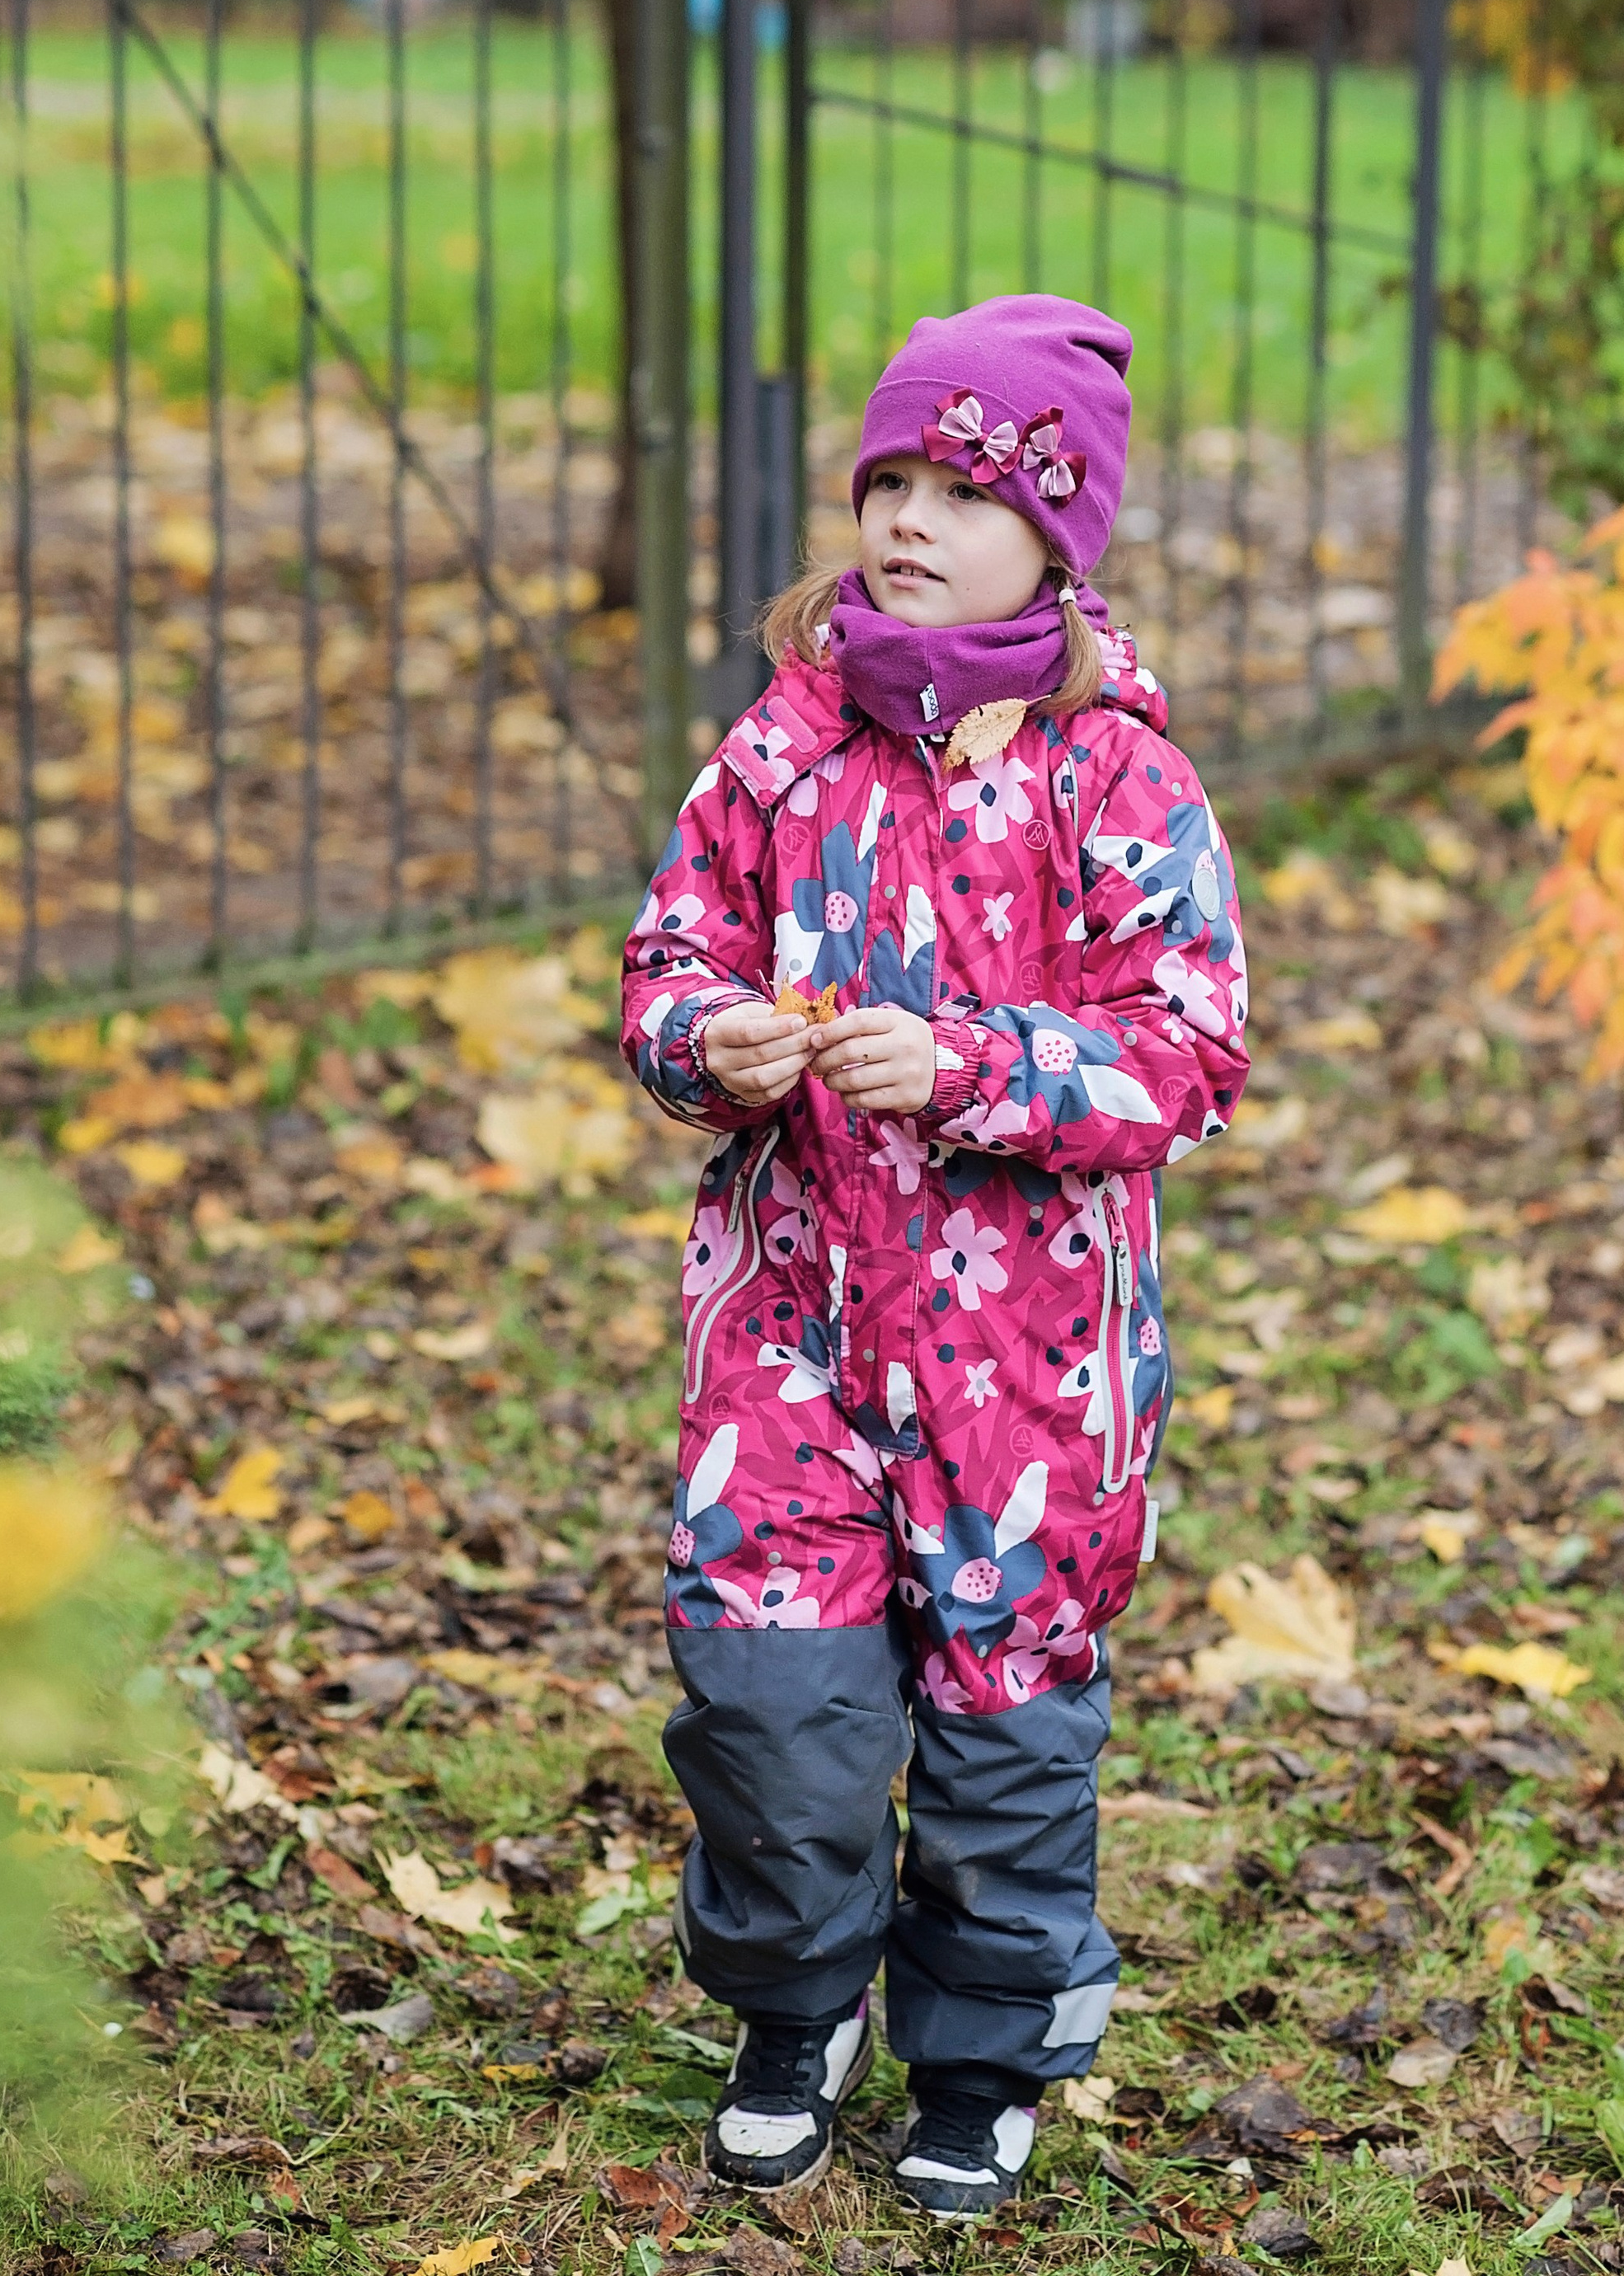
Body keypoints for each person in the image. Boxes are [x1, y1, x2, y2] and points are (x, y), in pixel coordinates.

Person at [620, 295, 1250, 2217]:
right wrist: (702, 1038)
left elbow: (1188, 1042)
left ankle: (978, 2049)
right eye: (887, 477)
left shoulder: (1110, 774)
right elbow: (670, 957)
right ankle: (790, 2003)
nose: (907, 515)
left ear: (1054, 540)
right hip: (791, 1333)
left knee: (999, 1721)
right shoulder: (780, 751)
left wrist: (977, 1063)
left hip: (1031, 1369)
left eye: (962, 490)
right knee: (770, 1699)